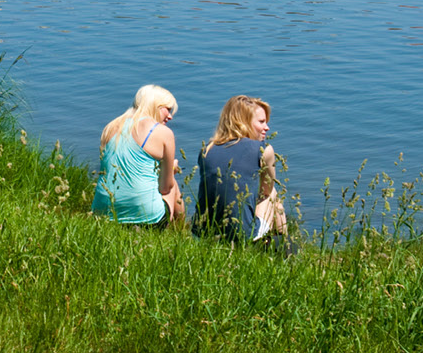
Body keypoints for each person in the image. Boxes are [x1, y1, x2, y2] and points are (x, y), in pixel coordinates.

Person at [196, 96, 287, 244]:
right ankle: (284, 245)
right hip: (241, 237)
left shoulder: (207, 149)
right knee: (273, 195)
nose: (267, 128)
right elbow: (267, 191)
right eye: (261, 122)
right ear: (243, 122)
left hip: (202, 235)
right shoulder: (264, 150)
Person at [91, 84, 185, 227]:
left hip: (102, 215)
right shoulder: (163, 132)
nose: (170, 116)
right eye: (168, 110)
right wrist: (171, 171)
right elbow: (165, 188)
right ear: (155, 105)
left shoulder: (111, 126)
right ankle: (181, 232)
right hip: (146, 220)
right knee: (173, 185)